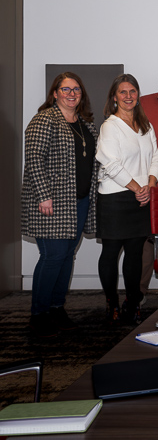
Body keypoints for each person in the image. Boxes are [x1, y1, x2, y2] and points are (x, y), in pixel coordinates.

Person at [21, 72, 99, 338]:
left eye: (76, 89)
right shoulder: (44, 120)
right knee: (53, 257)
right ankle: (38, 314)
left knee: (67, 256)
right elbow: (33, 160)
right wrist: (43, 195)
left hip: (79, 202)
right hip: (52, 202)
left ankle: (56, 308)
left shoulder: (86, 124)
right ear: (54, 93)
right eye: (65, 89)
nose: (71, 94)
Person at [96, 74, 158, 325]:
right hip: (115, 198)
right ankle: (111, 303)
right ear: (114, 97)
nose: (128, 96)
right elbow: (110, 164)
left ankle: (132, 303)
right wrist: (137, 187)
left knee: (135, 254)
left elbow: (156, 158)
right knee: (111, 253)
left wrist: (150, 186)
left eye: (132, 91)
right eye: (122, 92)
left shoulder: (145, 124)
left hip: (142, 197)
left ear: (138, 94)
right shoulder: (110, 126)